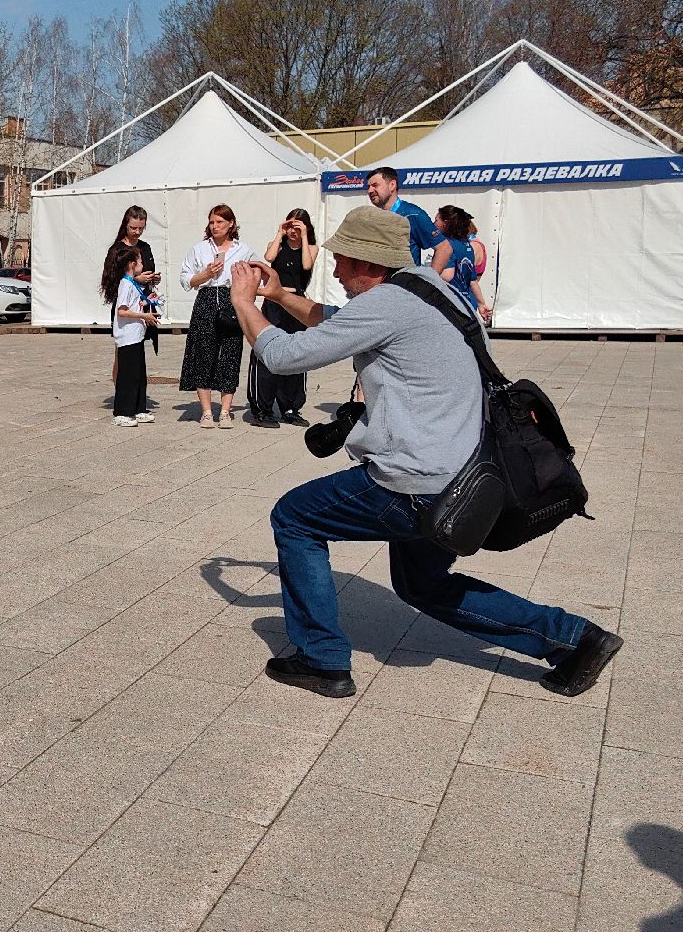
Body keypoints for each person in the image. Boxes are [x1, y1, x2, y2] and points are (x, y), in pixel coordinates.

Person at [226, 204, 623, 699]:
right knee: (422, 585)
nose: (333, 268)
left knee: (295, 518)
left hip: (414, 479)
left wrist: (245, 302)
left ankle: (321, 658)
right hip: (464, 473)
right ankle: (577, 639)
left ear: (369, 265)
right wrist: (281, 295)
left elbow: (283, 357)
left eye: (342, 261)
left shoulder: (385, 304)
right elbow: (338, 321)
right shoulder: (423, 286)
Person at [179, 204, 254, 428]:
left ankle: (225, 410)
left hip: (231, 301)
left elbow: (258, 270)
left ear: (231, 223)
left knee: (231, 353)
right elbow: (186, 280)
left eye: (219, 222)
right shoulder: (199, 249)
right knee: (204, 353)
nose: (215, 226)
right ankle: (206, 411)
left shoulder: (243, 249)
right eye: (212, 222)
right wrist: (205, 274)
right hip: (206, 299)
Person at [246, 209, 319, 428]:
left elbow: (306, 265)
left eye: (297, 228)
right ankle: (262, 408)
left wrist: (304, 236)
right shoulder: (278, 245)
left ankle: (291, 407)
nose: (293, 232)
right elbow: (268, 258)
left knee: (297, 354)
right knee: (267, 350)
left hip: (296, 303)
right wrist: (280, 233)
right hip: (275, 303)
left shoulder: (311, 247)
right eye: (291, 228)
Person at [100, 244, 158, 427]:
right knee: (128, 376)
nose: (143, 264)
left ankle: (139, 408)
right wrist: (144, 315)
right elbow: (122, 311)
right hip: (127, 338)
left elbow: (133, 303)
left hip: (137, 336)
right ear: (132, 264)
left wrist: (147, 301)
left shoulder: (132, 283)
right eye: (141, 261)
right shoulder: (125, 284)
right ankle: (122, 412)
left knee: (139, 374)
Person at [111, 205, 161, 380]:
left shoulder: (145, 248)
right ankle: (121, 392)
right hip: (125, 306)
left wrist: (153, 279)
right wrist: (135, 281)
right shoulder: (117, 249)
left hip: (142, 305)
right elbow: (111, 280)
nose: (137, 232)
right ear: (126, 224)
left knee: (137, 349)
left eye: (141, 228)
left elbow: (149, 270)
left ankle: (135, 395)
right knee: (122, 351)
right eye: (133, 228)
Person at [365, 166, 443, 267]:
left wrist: (428, 279)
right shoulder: (372, 217)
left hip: (405, 281)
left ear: (392, 185)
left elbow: (444, 248)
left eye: (375, 185)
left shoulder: (412, 214)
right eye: (368, 187)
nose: (370, 191)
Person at [432, 205, 493, 325]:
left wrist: (428, 270)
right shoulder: (467, 246)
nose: (433, 223)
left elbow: (448, 275)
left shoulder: (446, 245)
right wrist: (481, 303)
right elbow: (473, 281)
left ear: (445, 223)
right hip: (466, 302)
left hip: (450, 303)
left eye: (436, 220)